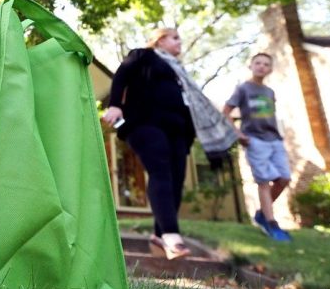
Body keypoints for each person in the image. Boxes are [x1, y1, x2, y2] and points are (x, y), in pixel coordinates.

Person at [102, 28, 237, 259]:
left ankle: (158, 235)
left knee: (176, 181)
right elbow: (122, 75)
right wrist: (115, 104)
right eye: (175, 38)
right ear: (160, 39)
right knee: (161, 171)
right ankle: (171, 234)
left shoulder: (178, 70)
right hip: (145, 122)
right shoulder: (143, 55)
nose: (179, 43)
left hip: (178, 131)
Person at [223, 53, 292, 241]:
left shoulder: (270, 92)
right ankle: (271, 224)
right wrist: (238, 134)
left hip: (274, 139)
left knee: (284, 178)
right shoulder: (243, 89)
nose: (261, 66)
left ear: (270, 69)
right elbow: (226, 112)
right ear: (251, 66)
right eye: (258, 63)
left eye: (266, 64)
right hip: (254, 140)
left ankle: (262, 214)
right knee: (264, 181)